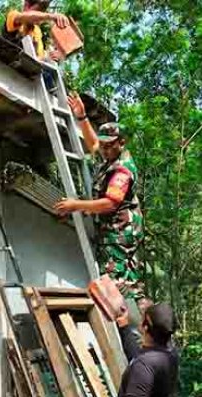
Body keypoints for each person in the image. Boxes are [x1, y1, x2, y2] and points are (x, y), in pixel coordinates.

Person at [54, 94, 145, 304]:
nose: (104, 149)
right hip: (109, 231)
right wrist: (82, 117)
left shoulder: (122, 169)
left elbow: (110, 203)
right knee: (113, 282)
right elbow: (94, 143)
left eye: (109, 145)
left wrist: (75, 205)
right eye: (104, 145)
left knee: (116, 285)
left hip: (120, 234)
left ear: (121, 143)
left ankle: (126, 329)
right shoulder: (107, 154)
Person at [2, 0, 68, 62]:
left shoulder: (36, 31)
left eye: (42, 12)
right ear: (26, 5)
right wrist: (51, 16)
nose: (40, 17)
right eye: (38, 12)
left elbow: (37, 59)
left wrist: (49, 57)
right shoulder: (13, 16)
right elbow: (23, 17)